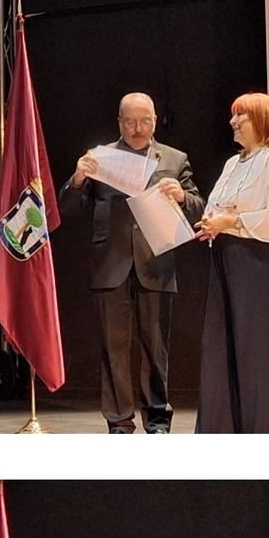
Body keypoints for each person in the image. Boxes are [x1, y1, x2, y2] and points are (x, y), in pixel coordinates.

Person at [59, 92, 204, 433]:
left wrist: (182, 196)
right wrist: (78, 179)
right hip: (111, 263)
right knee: (114, 348)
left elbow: (199, 208)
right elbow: (68, 207)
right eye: (131, 122)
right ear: (119, 122)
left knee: (156, 348)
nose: (138, 129)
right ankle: (119, 422)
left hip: (156, 261)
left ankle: (157, 419)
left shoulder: (173, 158)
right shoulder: (101, 158)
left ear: (155, 121)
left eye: (145, 121)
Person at [194, 92, 269, 433]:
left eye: (240, 116)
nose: (233, 122)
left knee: (254, 350)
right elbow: (217, 206)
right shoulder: (232, 164)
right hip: (225, 257)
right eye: (233, 115)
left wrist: (231, 222)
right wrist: (211, 222)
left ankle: (255, 434)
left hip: (257, 263)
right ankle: (220, 431)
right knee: (220, 345)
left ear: (260, 121)